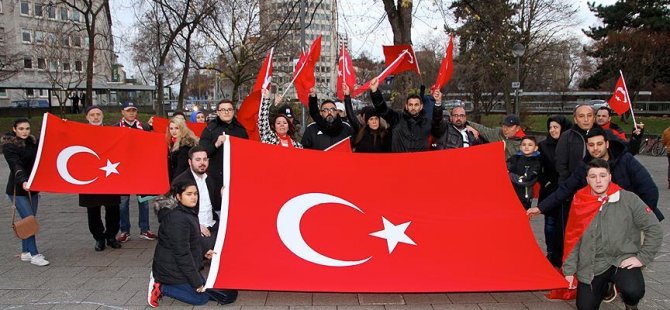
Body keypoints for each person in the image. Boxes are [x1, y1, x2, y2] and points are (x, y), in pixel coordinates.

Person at [560, 159, 662, 310]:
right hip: (592, 264)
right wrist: (568, 270)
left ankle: (630, 303)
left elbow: (654, 228)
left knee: (633, 290)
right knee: (584, 306)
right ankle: (606, 288)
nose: (598, 180)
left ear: (610, 176)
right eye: (593, 176)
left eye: (602, 175)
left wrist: (642, 257)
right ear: (587, 179)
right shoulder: (580, 201)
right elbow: (573, 238)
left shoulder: (628, 199)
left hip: (621, 259)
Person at [528, 127, 664, 222]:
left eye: (599, 144)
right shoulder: (584, 166)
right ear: (587, 147)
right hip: (606, 220)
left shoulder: (625, 159)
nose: (596, 148)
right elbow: (565, 189)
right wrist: (540, 208)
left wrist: (641, 216)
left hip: (634, 216)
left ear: (607, 143)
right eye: (591, 145)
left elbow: (649, 189)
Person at [148, 180, 238, 307]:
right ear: (178, 197)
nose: (194, 197)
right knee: (200, 299)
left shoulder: (186, 212)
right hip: (171, 270)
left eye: (195, 194)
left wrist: (205, 250)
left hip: (179, 267)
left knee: (208, 292)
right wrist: (196, 282)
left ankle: (182, 284)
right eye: (189, 194)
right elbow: (182, 254)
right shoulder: (177, 219)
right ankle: (161, 287)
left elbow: (192, 238)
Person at [2, 118, 49, 266]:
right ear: (14, 129)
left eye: (27, 129)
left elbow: (46, 141)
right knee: (30, 221)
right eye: (21, 129)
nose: (25, 132)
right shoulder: (9, 146)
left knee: (29, 220)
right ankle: (35, 254)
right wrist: (23, 180)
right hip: (18, 188)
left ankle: (25, 252)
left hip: (33, 187)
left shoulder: (32, 143)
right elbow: (15, 164)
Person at [80, 106, 122, 251]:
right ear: (87, 117)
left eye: (98, 114)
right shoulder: (79, 132)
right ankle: (98, 238)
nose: (96, 117)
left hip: (110, 175)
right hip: (89, 178)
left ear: (102, 116)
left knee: (113, 209)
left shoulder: (112, 132)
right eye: (92, 115)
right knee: (93, 210)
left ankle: (111, 236)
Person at [114, 102, 157, 242]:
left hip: (140, 170)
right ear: (123, 112)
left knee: (143, 202)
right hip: (123, 171)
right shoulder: (115, 128)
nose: (131, 113)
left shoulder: (144, 127)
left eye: (134, 110)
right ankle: (124, 230)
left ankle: (145, 229)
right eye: (128, 111)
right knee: (123, 202)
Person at [537, 115, 573, 267]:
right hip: (550, 189)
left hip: (568, 189)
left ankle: (566, 254)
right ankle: (551, 253)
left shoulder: (571, 144)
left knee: (566, 223)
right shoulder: (544, 145)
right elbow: (538, 168)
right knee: (550, 223)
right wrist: (546, 182)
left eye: (556, 127)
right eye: (550, 127)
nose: (552, 130)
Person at [369, 77, 437, 152]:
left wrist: (439, 103)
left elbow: (439, 127)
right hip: (399, 162)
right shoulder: (397, 119)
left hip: (419, 162)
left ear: (421, 107)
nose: (413, 107)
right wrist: (375, 91)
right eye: (410, 105)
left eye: (416, 105)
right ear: (406, 106)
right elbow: (383, 109)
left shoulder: (427, 123)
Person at [172, 146, 220, 250]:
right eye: (198, 160)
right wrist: (196, 225)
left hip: (213, 224)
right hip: (193, 229)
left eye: (205, 159)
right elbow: (172, 212)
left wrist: (222, 195)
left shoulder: (210, 179)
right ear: (190, 162)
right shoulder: (181, 181)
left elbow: (216, 205)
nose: (202, 163)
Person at [199, 100, 248, 190]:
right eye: (223, 110)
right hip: (216, 176)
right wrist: (216, 145)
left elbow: (247, 153)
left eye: (229, 109)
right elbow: (202, 151)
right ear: (218, 112)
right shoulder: (210, 129)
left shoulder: (241, 130)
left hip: (236, 174)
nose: (226, 112)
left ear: (233, 112)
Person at [506, 136, 541, 210]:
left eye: (530, 145)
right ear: (520, 147)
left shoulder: (536, 162)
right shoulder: (514, 158)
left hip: (524, 199)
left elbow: (527, 180)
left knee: (523, 219)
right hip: (509, 197)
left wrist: (508, 175)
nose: (526, 147)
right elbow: (502, 168)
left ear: (535, 148)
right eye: (524, 144)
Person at [166, 118, 199, 182]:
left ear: (182, 129)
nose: (173, 131)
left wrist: (173, 184)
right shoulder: (173, 142)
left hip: (182, 181)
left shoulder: (185, 145)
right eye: (171, 128)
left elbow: (181, 168)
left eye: (176, 128)